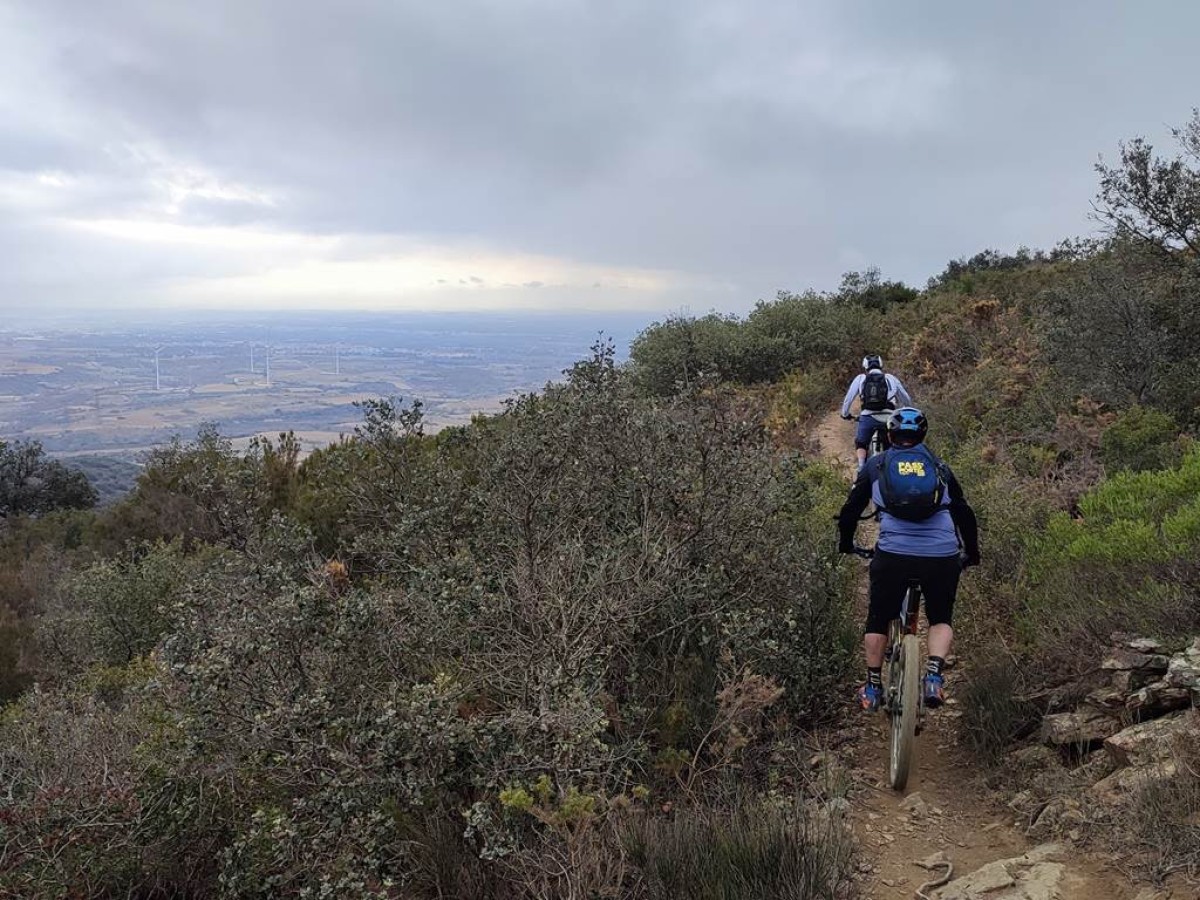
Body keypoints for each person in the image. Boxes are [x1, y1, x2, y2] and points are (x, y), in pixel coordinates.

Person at [836, 408, 980, 712]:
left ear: (889, 436)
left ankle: (873, 686)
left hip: (893, 556)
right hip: (941, 555)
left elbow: (850, 511)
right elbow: (964, 513)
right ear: (923, 436)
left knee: (877, 616)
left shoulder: (876, 465)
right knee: (941, 617)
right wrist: (971, 552)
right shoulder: (939, 467)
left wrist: (846, 543)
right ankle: (934, 677)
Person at [840, 355, 912, 472]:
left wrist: (845, 414)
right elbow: (906, 399)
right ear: (881, 365)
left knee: (861, 443)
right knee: (892, 446)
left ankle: (861, 467)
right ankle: (893, 469)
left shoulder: (861, 378)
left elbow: (849, 398)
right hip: (889, 418)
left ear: (865, 367)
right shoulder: (890, 378)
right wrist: (906, 411)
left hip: (867, 417)